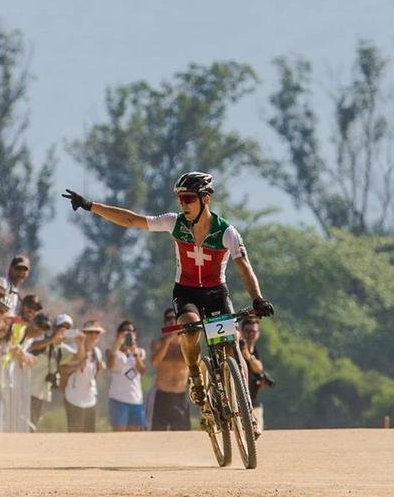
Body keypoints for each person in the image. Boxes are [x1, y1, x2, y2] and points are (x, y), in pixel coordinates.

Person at [62, 171, 274, 411]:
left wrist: (257, 299)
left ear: (205, 199)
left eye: (189, 199)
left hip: (216, 293)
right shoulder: (175, 223)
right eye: (180, 199)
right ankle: (195, 375)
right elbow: (132, 220)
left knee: (231, 343)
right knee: (191, 330)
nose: (183, 204)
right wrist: (91, 206)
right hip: (186, 292)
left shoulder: (226, 232)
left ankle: (243, 402)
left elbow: (244, 267)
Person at [25, 313, 74, 429]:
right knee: (24, 425)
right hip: (28, 389)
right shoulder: (41, 337)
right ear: (54, 327)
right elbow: (32, 346)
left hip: (42, 393)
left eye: (67, 329)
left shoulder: (61, 349)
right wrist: (52, 339)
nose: (63, 331)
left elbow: (79, 357)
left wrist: (81, 342)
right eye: (61, 327)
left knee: (32, 426)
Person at [61, 319, 106, 432]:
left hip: (90, 399)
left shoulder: (97, 352)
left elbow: (92, 376)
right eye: (90, 332)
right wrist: (77, 366)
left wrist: (100, 370)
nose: (93, 335)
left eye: (97, 332)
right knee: (75, 434)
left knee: (90, 435)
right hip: (73, 398)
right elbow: (62, 369)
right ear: (84, 333)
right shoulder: (73, 348)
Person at [107, 320, 147, 431]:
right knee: (119, 436)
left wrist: (134, 352)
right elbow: (110, 364)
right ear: (118, 333)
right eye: (125, 331)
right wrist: (118, 342)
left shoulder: (140, 352)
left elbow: (142, 370)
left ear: (135, 334)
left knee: (135, 437)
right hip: (118, 400)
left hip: (136, 400)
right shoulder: (113, 352)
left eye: (131, 331)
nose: (128, 333)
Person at [238, 314, 275, 429]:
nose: (250, 334)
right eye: (247, 331)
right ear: (241, 332)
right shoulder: (237, 349)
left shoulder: (256, 352)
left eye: (253, 331)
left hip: (253, 403)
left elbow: (258, 368)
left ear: (258, 334)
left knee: (257, 432)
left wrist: (248, 356)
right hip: (238, 404)